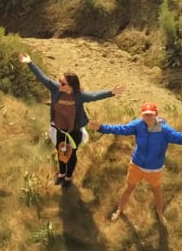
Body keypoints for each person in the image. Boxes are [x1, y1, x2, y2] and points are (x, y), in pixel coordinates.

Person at [19, 54, 122, 187]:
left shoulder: (79, 96)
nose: (59, 84)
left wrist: (111, 92)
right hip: (59, 129)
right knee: (61, 151)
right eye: (59, 81)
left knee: (71, 154)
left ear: (71, 86)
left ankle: (68, 177)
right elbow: (42, 78)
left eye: (63, 83)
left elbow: (94, 96)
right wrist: (30, 62)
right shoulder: (56, 89)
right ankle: (61, 174)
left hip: (74, 130)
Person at [92, 102, 182, 222]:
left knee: (157, 192)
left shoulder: (164, 130)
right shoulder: (138, 125)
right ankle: (119, 210)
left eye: (150, 114)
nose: (148, 117)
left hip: (154, 169)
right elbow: (121, 129)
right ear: (142, 115)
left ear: (156, 115)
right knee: (128, 189)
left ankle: (160, 213)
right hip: (136, 165)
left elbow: (179, 137)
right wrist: (101, 128)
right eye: (145, 114)